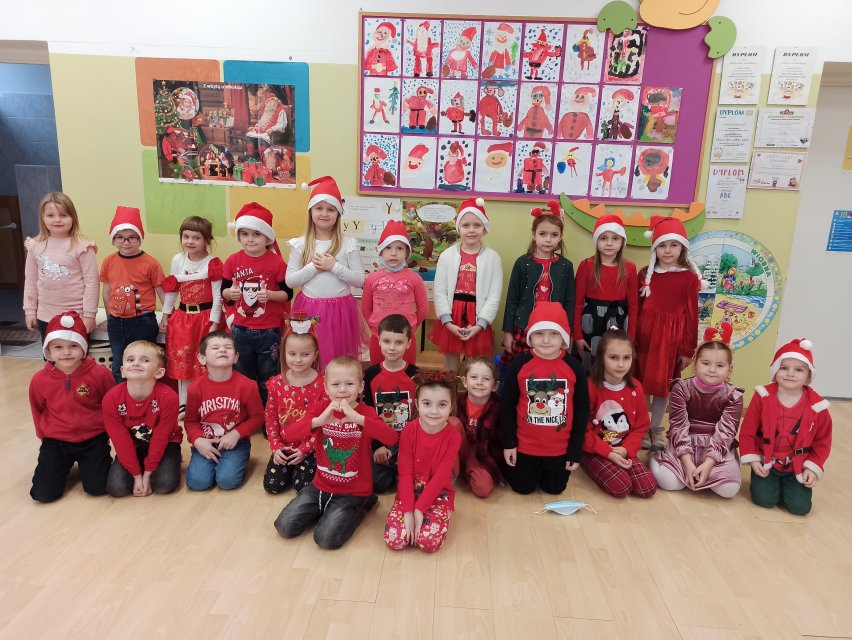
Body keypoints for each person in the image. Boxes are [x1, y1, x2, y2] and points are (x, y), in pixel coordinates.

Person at [273, 356, 399, 550]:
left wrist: (358, 418)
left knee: (325, 539)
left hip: (352, 492)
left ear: (360, 386)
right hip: (319, 487)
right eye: (335, 384)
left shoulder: (365, 412)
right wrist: (319, 421)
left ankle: (363, 503)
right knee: (284, 527)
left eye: (349, 384)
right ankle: (327, 510)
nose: (342, 390)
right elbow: (289, 434)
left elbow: (391, 438)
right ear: (326, 387)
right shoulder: (320, 409)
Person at [500, 302, 590, 494]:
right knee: (522, 488)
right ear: (530, 336)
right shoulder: (520, 364)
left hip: (559, 450)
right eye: (540, 333)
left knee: (555, 489)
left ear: (564, 336)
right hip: (524, 447)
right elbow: (507, 406)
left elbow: (582, 411)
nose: (546, 340)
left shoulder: (574, 367)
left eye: (554, 333)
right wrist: (509, 443)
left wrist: (575, 451)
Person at [739, 338, 832, 515]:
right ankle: (770, 486)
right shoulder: (762, 397)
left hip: (797, 465)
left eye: (799, 369)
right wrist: (754, 460)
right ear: (775, 370)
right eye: (784, 368)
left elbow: (822, 442)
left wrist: (812, 468)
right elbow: (748, 432)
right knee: (764, 500)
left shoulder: (817, 407)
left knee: (800, 508)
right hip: (767, 462)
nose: (790, 373)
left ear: (808, 375)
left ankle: (788, 488)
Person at [28, 311, 115, 502]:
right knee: (43, 495)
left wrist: (110, 434)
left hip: (93, 440)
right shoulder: (39, 380)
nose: (66, 352)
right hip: (56, 442)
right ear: (48, 350)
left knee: (99, 488)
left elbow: (111, 405)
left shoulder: (100, 374)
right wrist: (43, 435)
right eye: (58, 347)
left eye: (73, 346)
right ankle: (61, 466)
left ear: (83, 347)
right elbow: (37, 409)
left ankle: (89, 464)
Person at [650, 324, 742, 499]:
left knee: (729, 490)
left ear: (729, 368)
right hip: (684, 444)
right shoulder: (681, 388)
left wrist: (709, 464)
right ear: (695, 362)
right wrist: (687, 463)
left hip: (716, 449)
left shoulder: (733, 396)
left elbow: (726, 432)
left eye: (720, 365)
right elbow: (678, 426)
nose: (712, 370)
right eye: (705, 363)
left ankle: (714, 469)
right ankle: (657, 456)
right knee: (669, 483)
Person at [635, 216, 703, 450]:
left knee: (663, 387)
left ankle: (656, 428)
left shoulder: (689, 278)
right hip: (645, 339)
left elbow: (692, 316)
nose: (667, 250)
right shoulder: (645, 274)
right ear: (654, 247)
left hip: (671, 343)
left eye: (673, 245)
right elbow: (636, 308)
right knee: (641, 384)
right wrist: (632, 340)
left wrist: (687, 349)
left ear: (682, 247)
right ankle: (641, 428)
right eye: (662, 245)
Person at [287, 176, 366, 369]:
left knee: (340, 361)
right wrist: (313, 267)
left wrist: (334, 267)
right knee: (311, 356)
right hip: (309, 309)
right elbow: (290, 281)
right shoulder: (300, 244)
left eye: (331, 209)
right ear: (311, 211)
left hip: (341, 311)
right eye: (319, 208)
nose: (324, 213)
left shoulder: (348, 243)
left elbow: (360, 280)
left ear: (338, 213)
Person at [221, 202, 292, 406]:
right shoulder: (232, 261)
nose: (250, 239)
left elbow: (287, 295)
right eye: (244, 234)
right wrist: (231, 293)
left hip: (268, 331)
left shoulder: (276, 262)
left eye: (256, 234)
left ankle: (268, 413)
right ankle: (247, 411)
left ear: (267, 237)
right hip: (240, 329)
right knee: (243, 376)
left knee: (269, 377)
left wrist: (270, 295)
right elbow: (224, 292)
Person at [384, 371, 462, 553]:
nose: (434, 411)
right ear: (417, 404)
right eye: (427, 404)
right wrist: (408, 511)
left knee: (427, 542)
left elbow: (441, 477)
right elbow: (405, 474)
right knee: (395, 540)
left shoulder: (453, 436)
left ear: (451, 406)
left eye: (442, 404)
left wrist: (419, 510)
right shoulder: (409, 431)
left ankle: (438, 516)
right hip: (409, 492)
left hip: (439, 494)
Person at [183, 331, 264, 491]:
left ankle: (237, 459)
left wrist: (237, 433)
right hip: (206, 441)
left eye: (228, 347)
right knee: (198, 483)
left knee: (227, 482)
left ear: (236, 357)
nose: (222, 350)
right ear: (202, 358)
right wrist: (198, 441)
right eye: (215, 347)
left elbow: (258, 418)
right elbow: (191, 421)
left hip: (236, 442)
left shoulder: (248, 385)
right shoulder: (195, 388)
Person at [429, 198, 503, 371]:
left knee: (475, 366)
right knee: (450, 364)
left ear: (484, 228)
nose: (471, 230)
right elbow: (439, 291)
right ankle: (451, 389)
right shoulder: (447, 256)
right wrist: (447, 321)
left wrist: (481, 323)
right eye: (466, 225)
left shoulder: (493, 258)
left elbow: (494, 296)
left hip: (477, 317)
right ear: (458, 228)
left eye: (477, 225)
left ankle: (472, 389)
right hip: (452, 314)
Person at [159, 216, 223, 415]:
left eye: (196, 237)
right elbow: (172, 289)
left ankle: (206, 401)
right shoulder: (178, 260)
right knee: (184, 361)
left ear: (207, 240)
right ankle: (184, 402)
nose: (190, 241)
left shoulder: (212, 263)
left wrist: (214, 322)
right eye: (186, 236)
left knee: (205, 361)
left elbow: (218, 296)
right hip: (183, 319)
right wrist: (166, 314)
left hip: (205, 318)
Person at [582, 328, 656, 498]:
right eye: (614, 358)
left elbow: (640, 427)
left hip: (623, 447)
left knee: (647, 487)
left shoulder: (636, 388)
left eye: (626, 358)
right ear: (601, 357)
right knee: (621, 487)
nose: (621, 364)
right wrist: (607, 453)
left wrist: (625, 450)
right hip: (596, 449)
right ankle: (589, 463)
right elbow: (583, 430)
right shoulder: (590, 387)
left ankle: (616, 462)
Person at [103, 341, 182, 497]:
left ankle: (170, 460)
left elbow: (161, 437)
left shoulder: (169, 397)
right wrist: (136, 476)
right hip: (133, 445)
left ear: (159, 373)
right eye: (130, 359)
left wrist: (147, 473)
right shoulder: (111, 399)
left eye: (145, 360)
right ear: (122, 371)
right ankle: (139, 463)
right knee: (117, 488)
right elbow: (121, 440)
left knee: (164, 485)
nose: (136, 363)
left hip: (165, 444)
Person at [502, 201, 574, 365]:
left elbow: (570, 303)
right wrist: (507, 332)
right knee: (521, 368)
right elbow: (512, 299)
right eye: (542, 234)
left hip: (554, 329)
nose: (548, 240)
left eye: (554, 235)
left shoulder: (566, 266)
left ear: (560, 237)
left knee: (548, 369)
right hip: (524, 326)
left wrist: (568, 332)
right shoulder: (522, 263)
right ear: (534, 234)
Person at [99, 206, 165, 383]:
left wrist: (168, 317)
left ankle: (146, 393)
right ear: (113, 239)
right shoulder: (108, 261)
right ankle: (122, 396)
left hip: (143, 321)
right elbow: (107, 291)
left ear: (140, 238)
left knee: (145, 362)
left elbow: (161, 291)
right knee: (119, 363)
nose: (126, 242)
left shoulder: (150, 263)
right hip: (116, 322)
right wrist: (109, 317)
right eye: (120, 237)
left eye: (132, 237)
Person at [263, 313, 328, 494]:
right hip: (284, 446)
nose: (298, 360)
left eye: (305, 354)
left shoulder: (323, 385)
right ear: (284, 353)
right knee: (272, 486)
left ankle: (304, 467)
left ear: (315, 355)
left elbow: (325, 422)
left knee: (303, 487)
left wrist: (306, 449)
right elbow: (270, 417)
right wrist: (276, 446)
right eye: (292, 354)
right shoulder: (276, 383)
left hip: (311, 448)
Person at [24, 192, 99, 341]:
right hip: (45, 316)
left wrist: (90, 315)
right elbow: (30, 281)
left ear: (73, 217)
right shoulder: (35, 246)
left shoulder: (83, 247)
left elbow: (92, 283)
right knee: (51, 354)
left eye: (63, 215)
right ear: (42, 218)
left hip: (76, 316)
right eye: (50, 215)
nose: (57, 220)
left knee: (75, 354)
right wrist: (30, 311)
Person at [573, 214, 639, 373]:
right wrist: (578, 336)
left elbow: (633, 306)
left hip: (618, 322)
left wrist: (631, 337)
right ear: (596, 240)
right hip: (591, 323)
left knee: (613, 366)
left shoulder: (629, 268)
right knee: (591, 367)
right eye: (603, 238)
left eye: (615, 238)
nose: (609, 243)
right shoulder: (586, 265)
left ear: (622, 241)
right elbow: (577, 303)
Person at [363, 314, 419, 493]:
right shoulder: (370, 374)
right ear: (379, 341)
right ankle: (395, 469)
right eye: (387, 341)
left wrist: (410, 447)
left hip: (410, 442)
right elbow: (369, 413)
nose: (392, 347)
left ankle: (402, 470)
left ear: (408, 343)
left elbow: (419, 415)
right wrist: (377, 446)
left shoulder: (416, 375)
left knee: (415, 483)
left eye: (399, 342)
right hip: (383, 441)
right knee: (378, 484)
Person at [361, 220, 428, 366]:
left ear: (407, 252)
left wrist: (409, 329)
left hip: (404, 339)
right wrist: (375, 328)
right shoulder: (372, 278)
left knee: (406, 374)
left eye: (399, 248)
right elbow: (366, 308)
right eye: (388, 248)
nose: (393, 253)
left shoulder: (415, 278)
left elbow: (423, 309)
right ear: (381, 251)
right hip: (378, 338)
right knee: (378, 373)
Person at [456, 356, 502, 498]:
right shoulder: (456, 402)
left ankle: (465, 471)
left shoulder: (499, 407)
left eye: (486, 379)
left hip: (481, 454)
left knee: (483, 489)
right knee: (452, 422)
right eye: (474, 377)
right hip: (458, 449)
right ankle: (454, 469)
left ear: (495, 386)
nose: (479, 382)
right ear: (465, 382)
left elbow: (501, 441)